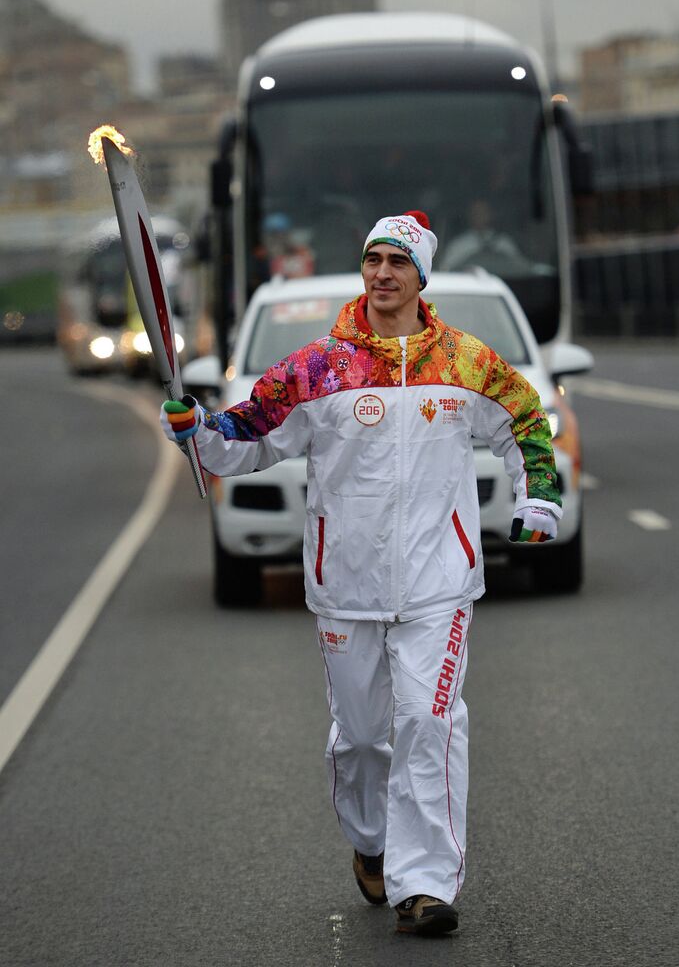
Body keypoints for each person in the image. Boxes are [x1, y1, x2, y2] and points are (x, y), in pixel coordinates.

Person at [161, 210, 561, 938]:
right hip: (344, 581)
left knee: (428, 721)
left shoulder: (464, 363)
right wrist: (198, 431)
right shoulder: (319, 366)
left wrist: (537, 496)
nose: (381, 273)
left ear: (419, 277)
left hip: (440, 580)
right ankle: (371, 839)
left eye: (396, 263)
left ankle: (424, 885)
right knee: (363, 736)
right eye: (373, 260)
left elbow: (525, 421)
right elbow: (246, 437)